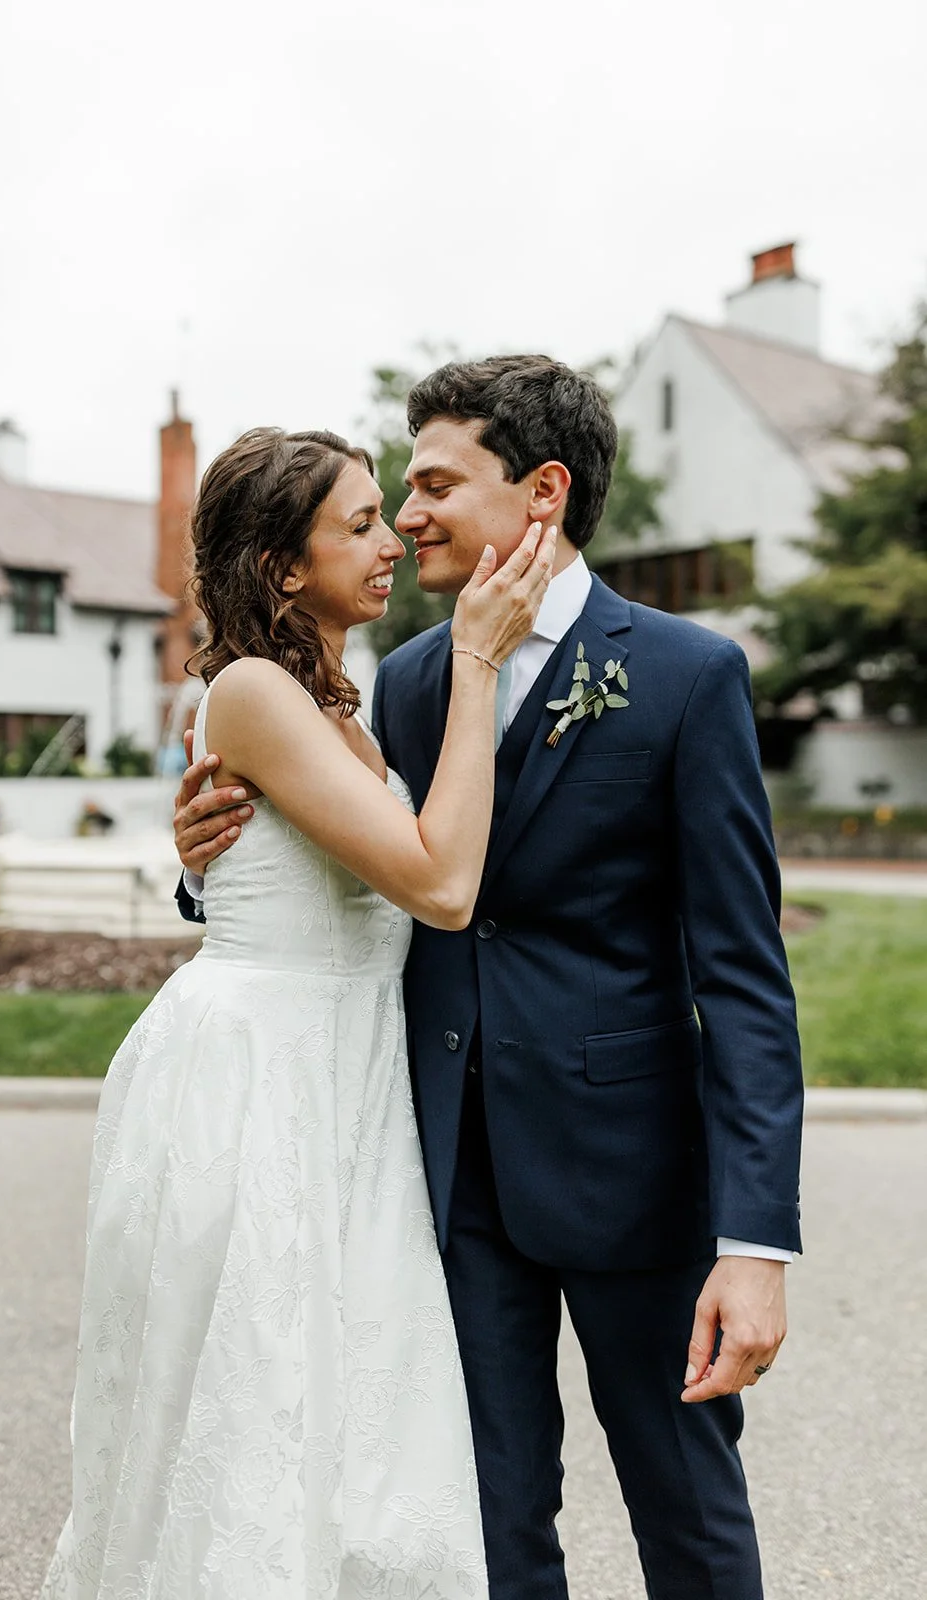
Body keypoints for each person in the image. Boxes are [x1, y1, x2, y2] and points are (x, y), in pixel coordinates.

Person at [174, 359, 805, 1600]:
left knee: (686, 1510)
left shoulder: (684, 676)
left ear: (541, 493)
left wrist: (754, 1242)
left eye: (436, 483)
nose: (408, 515)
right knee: (484, 1525)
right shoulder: (398, 685)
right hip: (444, 1181)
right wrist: (205, 866)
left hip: (635, 1179)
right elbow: (340, 868)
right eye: (398, 492)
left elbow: (742, 976)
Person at [41, 424, 554, 1600]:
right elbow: (436, 884)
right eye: (359, 522)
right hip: (259, 1084)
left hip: (346, 1082)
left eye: (388, 512)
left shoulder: (334, 697)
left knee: (348, 1422)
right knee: (257, 1403)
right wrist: (475, 661)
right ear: (281, 567)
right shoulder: (256, 690)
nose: (393, 540)